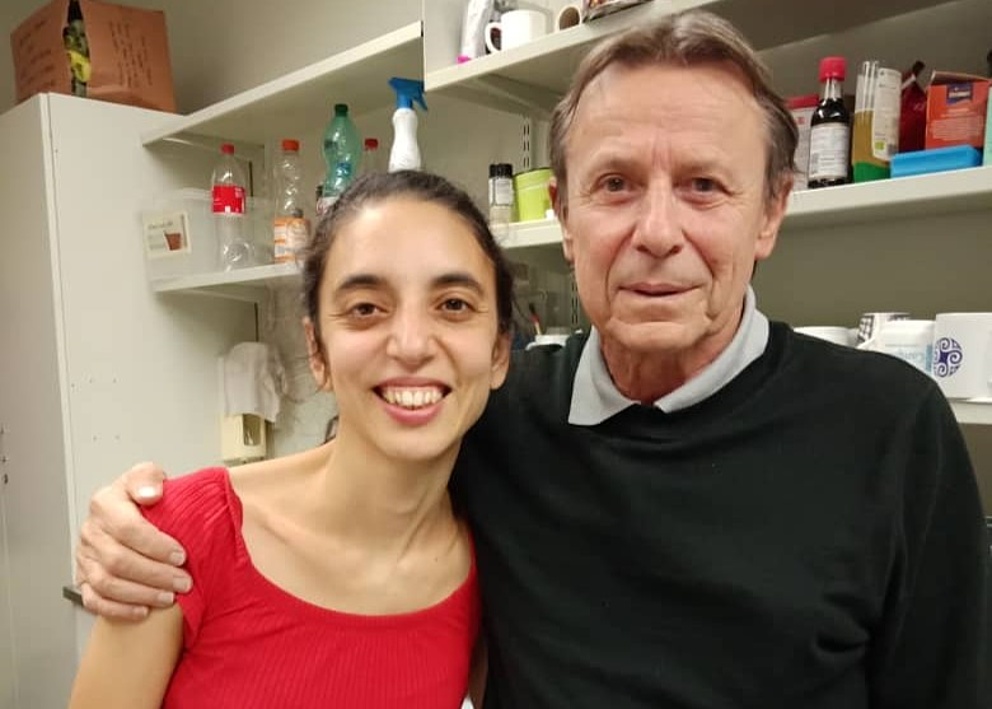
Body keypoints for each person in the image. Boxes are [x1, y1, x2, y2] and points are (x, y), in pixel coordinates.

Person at [74, 10, 988, 708]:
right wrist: (146, 518)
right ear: (566, 216)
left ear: (771, 213)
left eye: (704, 185)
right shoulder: (497, 416)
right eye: (615, 184)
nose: (657, 232)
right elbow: (345, 479)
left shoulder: (891, 426)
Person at [69, 170, 514, 708]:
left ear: (498, 353)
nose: (412, 344)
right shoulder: (182, 539)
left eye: (454, 305)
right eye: (366, 308)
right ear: (317, 351)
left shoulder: (487, 565)